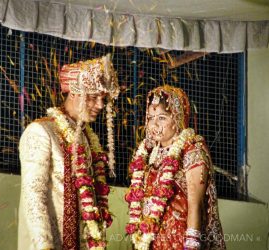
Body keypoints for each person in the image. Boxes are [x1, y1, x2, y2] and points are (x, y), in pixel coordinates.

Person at [18, 54, 120, 250]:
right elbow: (34, 196)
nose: (100, 105)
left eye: (102, 98)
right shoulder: (41, 131)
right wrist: (44, 245)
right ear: (73, 93)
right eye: (92, 97)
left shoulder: (88, 138)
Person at [125, 85, 226, 250]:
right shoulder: (148, 152)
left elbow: (196, 205)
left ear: (177, 118)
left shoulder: (192, 151)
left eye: (162, 118)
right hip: (150, 240)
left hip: (179, 242)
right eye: (151, 118)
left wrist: (191, 246)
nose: (154, 125)